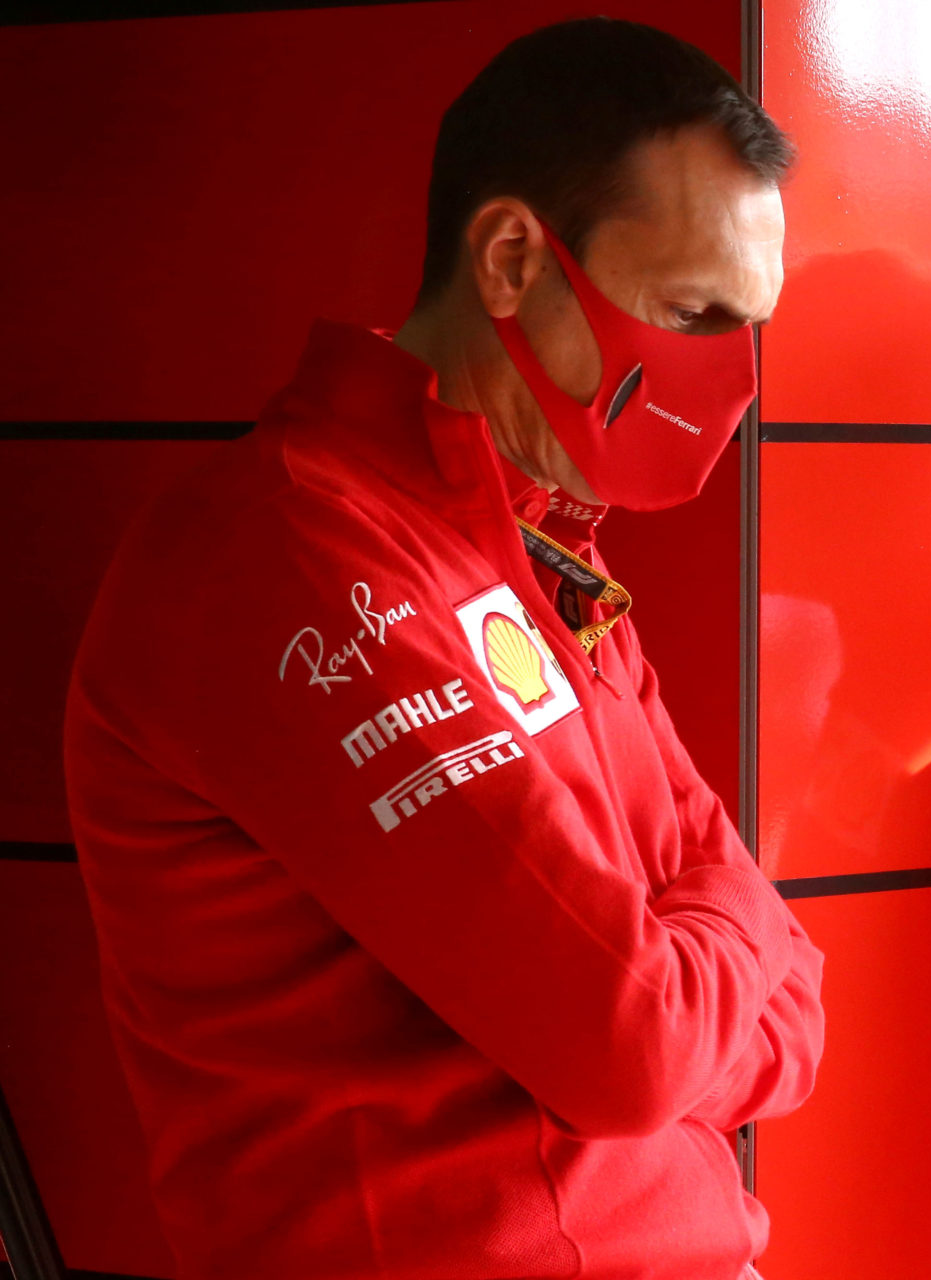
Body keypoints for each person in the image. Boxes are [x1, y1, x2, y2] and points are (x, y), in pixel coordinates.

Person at [64, 20, 821, 1280]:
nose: (721, 377)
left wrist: (700, 960)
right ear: (515, 257)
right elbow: (632, 1045)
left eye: (743, 327)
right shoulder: (286, 555)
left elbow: (800, 1014)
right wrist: (715, 951)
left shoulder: (540, 556)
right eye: (692, 312)